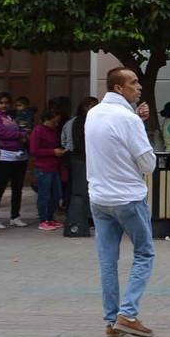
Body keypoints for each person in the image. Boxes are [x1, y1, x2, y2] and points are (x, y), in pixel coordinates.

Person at [85, 67, 158, 337]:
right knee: (144, 254)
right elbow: (148, 164)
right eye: (134, 83)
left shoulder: (94, 113)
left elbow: (110, 142)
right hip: (128, 197)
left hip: (99, 197)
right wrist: (137, 123)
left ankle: (111, 321)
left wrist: (135, 118)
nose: (139, 87)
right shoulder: (128, 119)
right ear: (119, 88)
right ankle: (127, 314)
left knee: (108, 260)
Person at [0, 91, 29, 229]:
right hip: (4, 156)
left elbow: (24, 128)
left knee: (17, 188)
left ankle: (15, 216)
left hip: (19, 156)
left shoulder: (12, 116)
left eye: (6, 103)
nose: (4, 105)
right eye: (1, 103)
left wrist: (23, 133)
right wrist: (19, 135)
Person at [64, 97, 99, 237]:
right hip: (81, 160)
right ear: (85, 107)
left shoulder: (89, 120)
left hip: (84, 159)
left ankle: (82, 223)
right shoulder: (81, 121)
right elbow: (80, 143)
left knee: (84, 192)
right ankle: (76, 225)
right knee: (80, 192)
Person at [29, 108, 67, 230]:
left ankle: (50, 218)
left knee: (56, 194)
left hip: (54, 166)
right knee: (44, 194)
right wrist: (52, 152)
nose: (56, 124)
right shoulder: (38, 131)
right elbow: (34, 150)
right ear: (47, 119)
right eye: (54, 122)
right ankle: (43, 219)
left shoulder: (53, 131)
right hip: (43, 167)